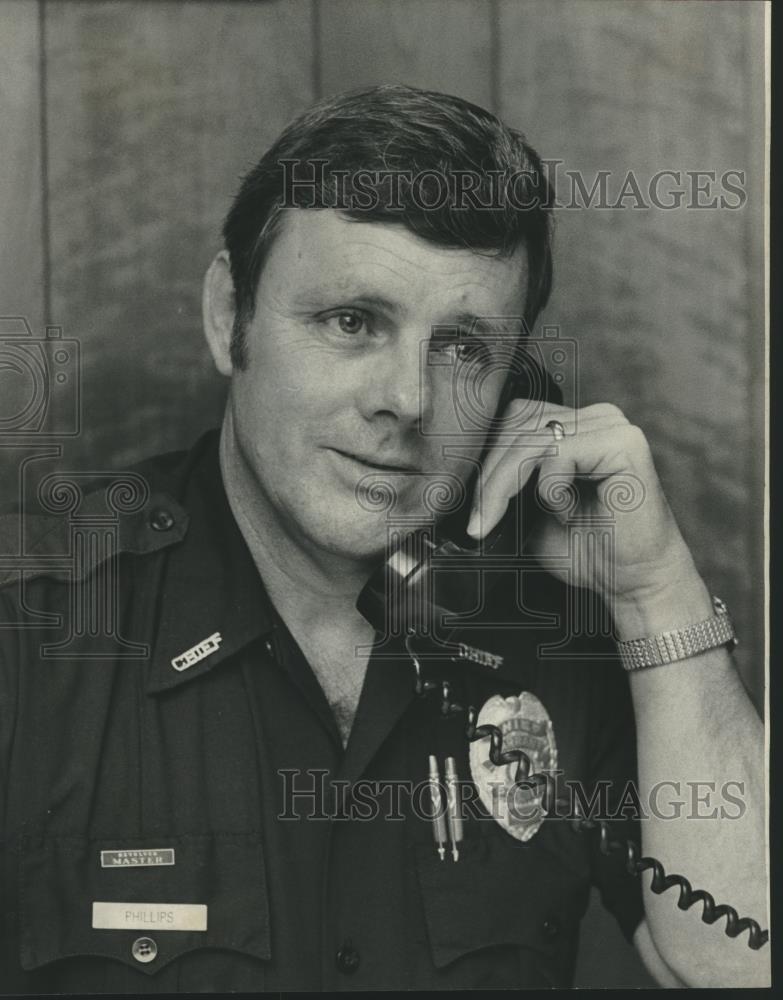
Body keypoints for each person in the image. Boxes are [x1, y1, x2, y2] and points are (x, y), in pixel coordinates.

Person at [0, 85, 768, 991]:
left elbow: (737, 963)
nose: (406, 401)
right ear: (227, 316)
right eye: (352, 322)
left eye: (464, 349)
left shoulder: (556, 630)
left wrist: (653, 592)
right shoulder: (36, 628)